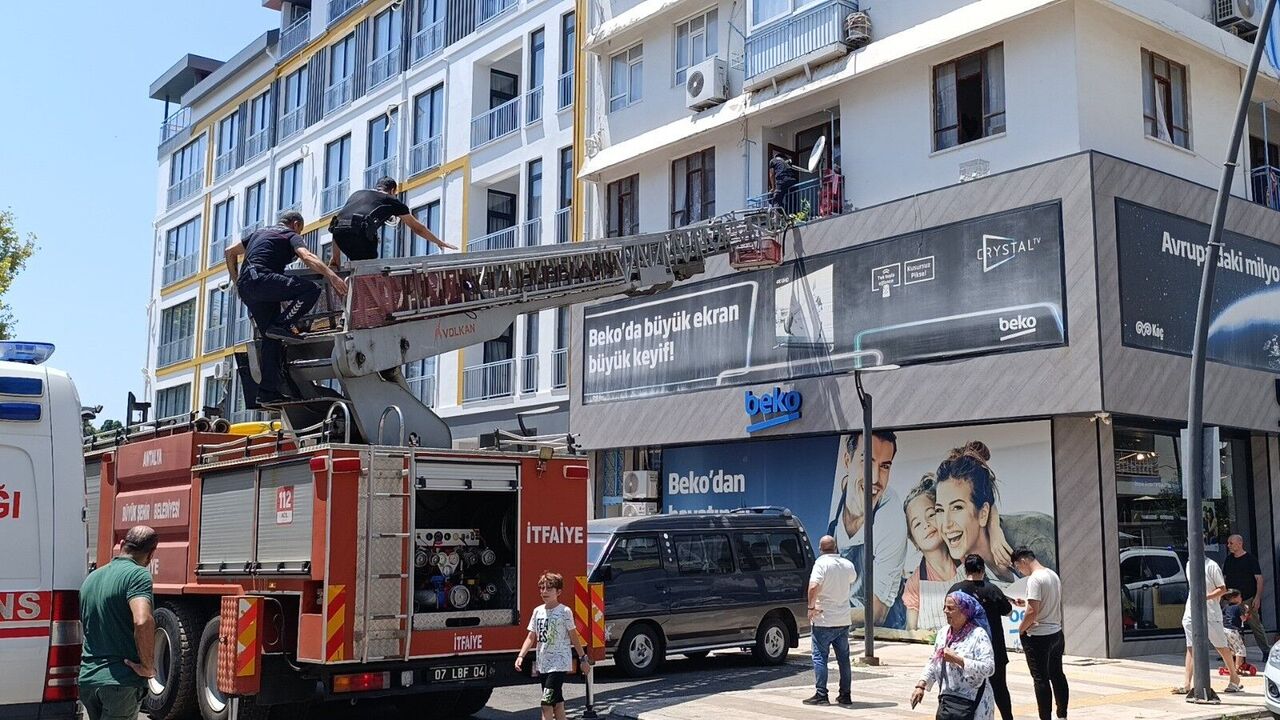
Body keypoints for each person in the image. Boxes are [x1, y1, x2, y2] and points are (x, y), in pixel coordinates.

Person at [225, 211, 347, 403]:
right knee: (310, 290)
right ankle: (282, 324)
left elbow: (230, 251)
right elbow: (306, 256)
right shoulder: (290, 235)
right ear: (296, 224)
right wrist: (331, 276)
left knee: (271, 339)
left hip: (250, 287)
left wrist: (237, 281)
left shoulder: (259, 233)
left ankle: (267, 393)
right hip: (263, 280)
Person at [935, 442, 1057, 582]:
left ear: (983, 513)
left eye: (957, 508)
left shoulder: (1034, 544)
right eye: (939, 510)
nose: (946, 524)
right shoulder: (960, 550)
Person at [78, 526, 159, 720]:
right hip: (119, 682)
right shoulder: (138, 575)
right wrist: (147, 666)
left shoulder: (91, 579)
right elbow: (142, 620)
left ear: (122, 544)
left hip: (89, 679)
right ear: (151, 555)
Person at [828, 430, 905, 626]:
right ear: (847, 460)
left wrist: (824, 617)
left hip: (882, 634)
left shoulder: (889, 514)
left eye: (884, 466)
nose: (875, 478)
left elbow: (877, 614)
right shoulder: (833, 500)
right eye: (867, 461)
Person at [516, 572, 591, 720]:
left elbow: (574, 637)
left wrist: (583, 658)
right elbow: (531, 636)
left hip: (559, 664)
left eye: (549, 589)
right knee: (557, 703)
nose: (544, 592)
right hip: (543, 664)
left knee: (546, 703)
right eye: (542, 588)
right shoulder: (537, 611)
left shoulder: (564, 611)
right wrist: (521, 656)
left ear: (558, 592)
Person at [328, 177, 456, 264]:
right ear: (393, 190)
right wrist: (439, 242)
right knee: (368, 266)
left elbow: (339, 221)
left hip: (338, 234)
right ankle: (368, 298)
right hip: (359, 234)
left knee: (358, 263)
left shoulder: (356, 194)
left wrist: (335, 258)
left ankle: (351, 289)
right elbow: (417, 227)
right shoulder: (391, 200)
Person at [911, 592, 996, 720]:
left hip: (974, 704)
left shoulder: (978, 635)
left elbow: (989, 668)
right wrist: (921, 685)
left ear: (964, 612)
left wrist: (958, 660)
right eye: (945, 607)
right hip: (949, 703)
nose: (945, 611)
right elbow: (934, 662)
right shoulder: (943, 633)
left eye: (950, 608)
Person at [950, 554, 1014, 720]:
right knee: (1000, 688)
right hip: (993, 649)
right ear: (983, 570)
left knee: (963, 688)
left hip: (964, 649)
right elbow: (1008, 611)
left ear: (965, 570)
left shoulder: (956, 590)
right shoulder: (991, 589)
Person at [1011, 547, 1069, 720]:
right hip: (1056, 633)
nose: (1019, 571)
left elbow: (1032, 613)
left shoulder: (1035, 579)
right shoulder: (1052, 575)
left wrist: (1021, 629)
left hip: (1039, 636)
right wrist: (1026, 603)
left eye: (1017, 567)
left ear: (1022, 561)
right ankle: (1062, 715)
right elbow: (1041, 603)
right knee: (1057, 674)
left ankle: (1045, 717)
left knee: (1041, 679)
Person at [1175, 555, 1242, 697]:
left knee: (1221, 646)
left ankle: (1234, 676)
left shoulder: (1212, 565)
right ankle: (1186, 683)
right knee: (1191, 646)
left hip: (1210, 613)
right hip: (1191, 610)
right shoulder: (1188, 564)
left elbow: (1222, 589)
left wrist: (1204, 597)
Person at [901, 474, 958, 632]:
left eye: (931, 515)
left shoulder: (967, 561)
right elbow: (911, 629)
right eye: (917, 524)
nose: (926, 525)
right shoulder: (914, 583)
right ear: (913, 539)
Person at [805, 535, 857, 706]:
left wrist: (811, 608)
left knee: (820, 657)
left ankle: (821, 695)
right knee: (844, 659)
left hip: (823, 619)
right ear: (835, 548)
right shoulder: (847, 564)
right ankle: (845, 694)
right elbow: (852, 579)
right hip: (843, 619)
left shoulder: (821, 563)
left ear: (820, 548)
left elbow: (813, 586)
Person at [1223, 534, 1271, 655]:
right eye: (1228, 543)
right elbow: (1224, 578)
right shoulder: (1229, 559)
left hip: (1247, 599)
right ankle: (1233, 653)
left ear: (1240, 543)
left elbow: (1259, 579)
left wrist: (1257, 597)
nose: (1229, 546)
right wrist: (1223, 597)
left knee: (1255, 625)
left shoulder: (1250, 559)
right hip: (1231, 600)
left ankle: (1266, 651)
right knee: (1231, 627)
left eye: (1231, 543)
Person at [1221, 589, 1251, 676]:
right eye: (1239, 597)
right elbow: (1243, 619)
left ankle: (1230, 666)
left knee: (1231, 649)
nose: (1241, 598)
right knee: (1240, 649)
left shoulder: (1226, 607)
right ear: (1234, 598)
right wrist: (1247, 611)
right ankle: (1237, 668)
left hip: (1225, 629)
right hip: (1233, 630)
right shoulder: (1238, 608)